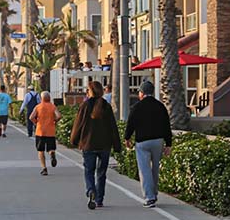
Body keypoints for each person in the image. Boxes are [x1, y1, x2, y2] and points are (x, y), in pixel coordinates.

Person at [70, 80, 122, 209]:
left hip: (88, 144)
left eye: (88, 90)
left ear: (91, 91)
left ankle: (91, 190)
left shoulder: (85, 105)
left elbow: (78, 125)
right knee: (101, 173)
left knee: (89, 171)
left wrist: (74, 140)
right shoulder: (106, 106)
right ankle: (99, 199)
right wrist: (117, 145)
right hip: (104, 146)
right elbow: (112, 127)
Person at [124, 80, 173, 208]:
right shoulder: (160, 106)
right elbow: (166, 126)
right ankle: (154, 193)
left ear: (142, 93)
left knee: (144, 169)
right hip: (158, 141)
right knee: (155, 168)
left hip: (142, 142)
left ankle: (149, 197)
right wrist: (168, 144)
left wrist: (127, 138)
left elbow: (131, 124)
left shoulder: (137, 107)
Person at [28, 91, 59, 176]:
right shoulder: (53, 107)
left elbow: (31, 117)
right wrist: (55, 121)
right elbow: (59, 115)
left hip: (40, 131)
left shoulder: (38, 107)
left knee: (40, 150)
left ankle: (44, 168)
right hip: (50, 131)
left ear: (41, 99)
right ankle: (52, 154)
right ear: (49, 98)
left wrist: (36, 122)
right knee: (51, 148)